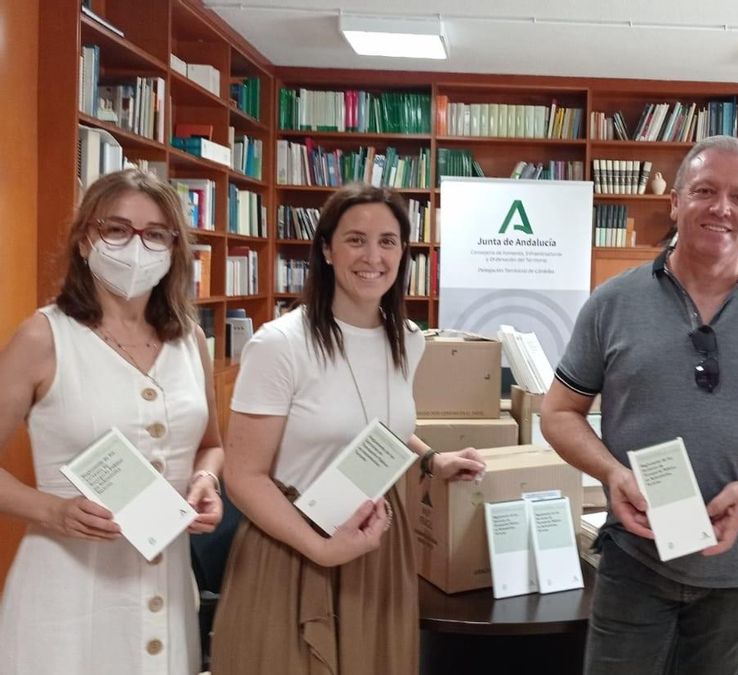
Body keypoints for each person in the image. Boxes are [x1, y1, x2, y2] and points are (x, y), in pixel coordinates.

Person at [541, 135, 738, 675]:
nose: (721, 208)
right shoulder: (613, 301)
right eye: (705, 190)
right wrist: (612, 474)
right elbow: (558, 411)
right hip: (635, 562)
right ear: (675, 202)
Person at [209, 184, 486, 675]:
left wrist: (431, 459)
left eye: (388, 241)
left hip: (375, 548)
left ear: (404, 251)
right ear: (326, 249)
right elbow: (244, 476)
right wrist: (321, 548)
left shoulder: (408, 340)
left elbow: (382, 429)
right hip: (292, 549)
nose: (372, 256)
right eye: (356, 239)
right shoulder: (280, 344)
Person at [0, 169, 224, 674]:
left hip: (165, 591)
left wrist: (206, 479)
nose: (136, 247)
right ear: (85, 241)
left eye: (155, 234)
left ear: (173, 248)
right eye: (116, 229)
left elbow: (211, 443)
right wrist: (51, 510)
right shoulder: (44, 337)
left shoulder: (189, 339)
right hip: (66, 594)